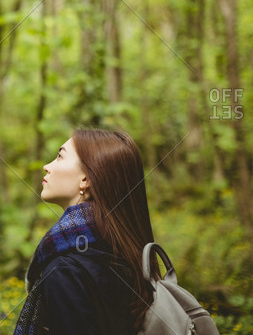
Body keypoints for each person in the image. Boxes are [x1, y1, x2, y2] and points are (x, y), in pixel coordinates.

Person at [13, 128, 159, 335]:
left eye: (59, 157)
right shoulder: (125, 254)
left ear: (85, 179)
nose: (47, 166)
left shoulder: (65, 271)